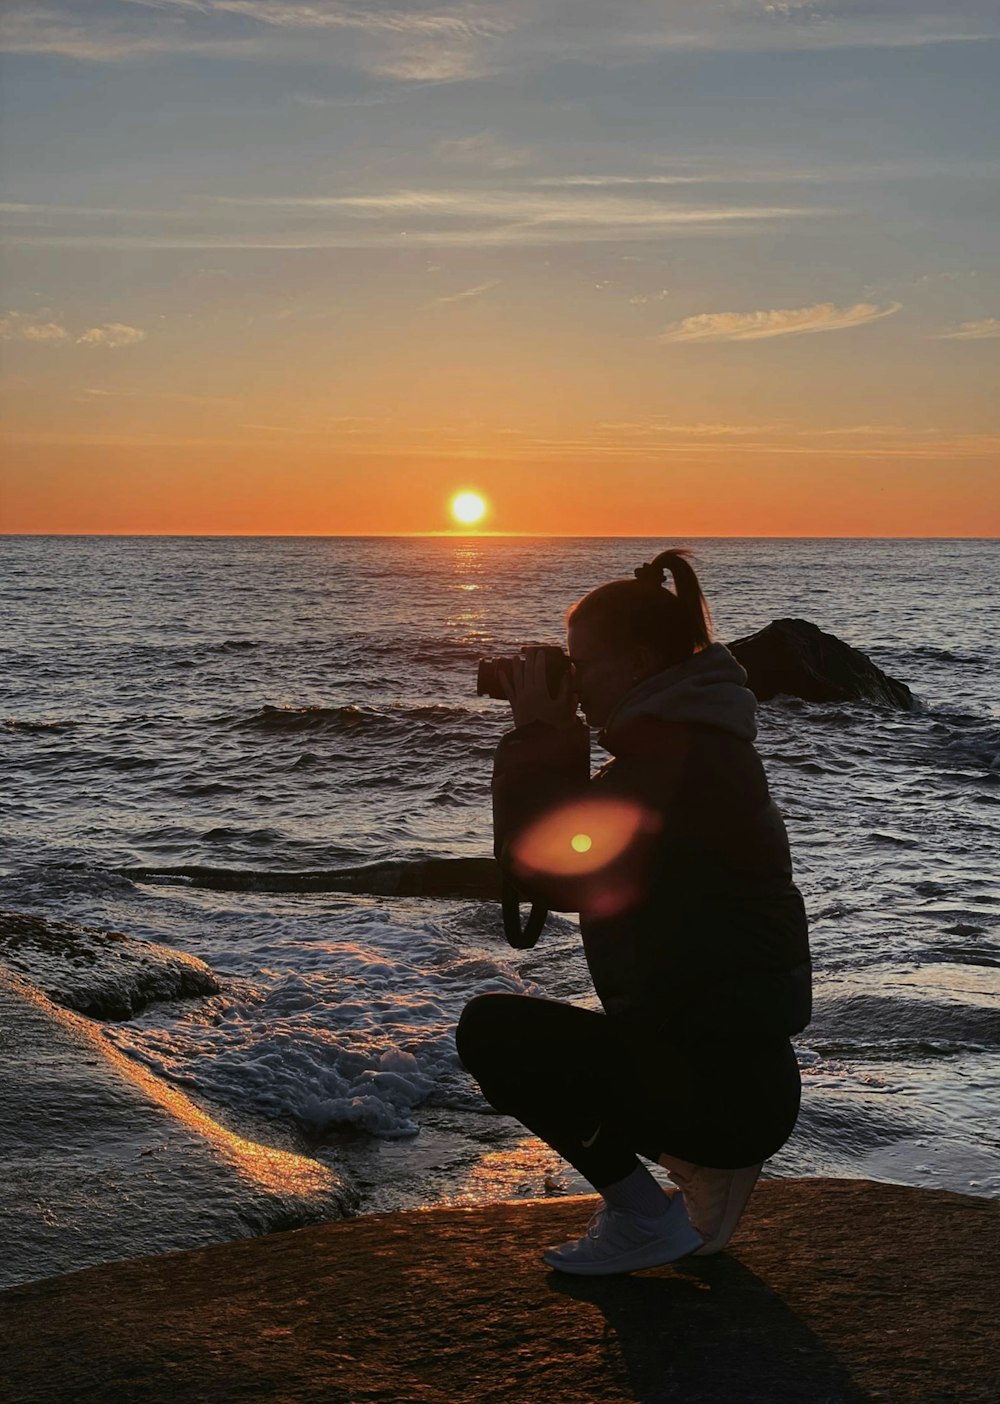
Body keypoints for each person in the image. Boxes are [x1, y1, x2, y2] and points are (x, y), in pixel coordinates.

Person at [455, 548, 811, 1275]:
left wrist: (538, 733)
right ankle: (702, 1165)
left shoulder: (669, 764)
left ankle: (646, 1216)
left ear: (643, 658)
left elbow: (545, 871)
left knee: (493, 1034)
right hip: (741, 1081)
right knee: (531, 1034)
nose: (574, 683)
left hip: (719, 1091)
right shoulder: (697, 749)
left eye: (581, 664)